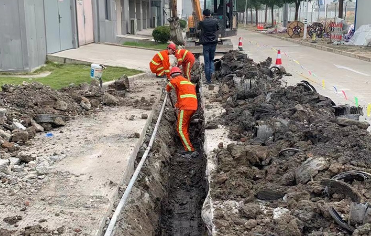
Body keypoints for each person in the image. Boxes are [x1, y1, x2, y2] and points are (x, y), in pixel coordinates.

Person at [166, 67, 198, 153]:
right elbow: (184, 95)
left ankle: (189, 149)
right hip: (193, 106)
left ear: (172, 76)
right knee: (185, 125)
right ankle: (187, 142)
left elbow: (168, 86)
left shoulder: (176, 80)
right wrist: (177, 105)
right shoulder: (187, 81)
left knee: (180, 129)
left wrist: (168, 88)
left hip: (186, 107)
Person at [197, 9, 219, 84]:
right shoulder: (215, 21)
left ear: (203, 15)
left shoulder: (202, 22)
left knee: (207, 62)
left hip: (206, 44)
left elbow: (198, 28)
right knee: (211, 59)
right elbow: (217, 28)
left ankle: (208, 80)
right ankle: (212, 73)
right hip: (213, 43)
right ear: (210, 14)